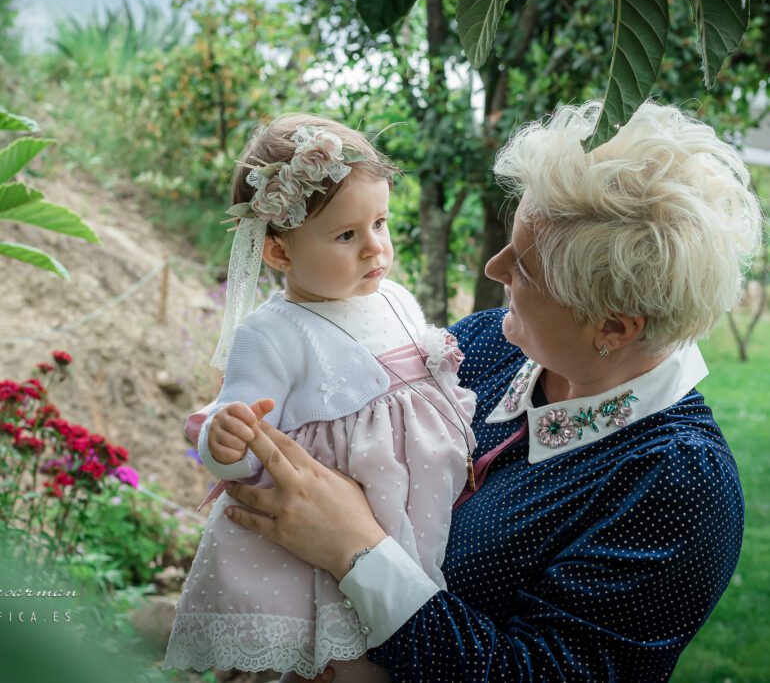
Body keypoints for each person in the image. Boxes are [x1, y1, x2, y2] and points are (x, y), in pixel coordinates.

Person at [220, 100, 763, 682]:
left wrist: (355, 552)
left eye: (524, 269)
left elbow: (533, 674)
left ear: (612, 325)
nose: (493, 267)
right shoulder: (485, 347)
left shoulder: (674, 485)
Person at [163, 114, 477, 682]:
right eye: (346, 235)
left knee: (416, 620)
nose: (374, 248)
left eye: (380, 223)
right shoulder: (274, 332)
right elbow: (244, 429)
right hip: (341, 526)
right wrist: (227, 438)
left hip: (422, 508)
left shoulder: (397, 300)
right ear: (281, 254)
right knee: (349, 649)